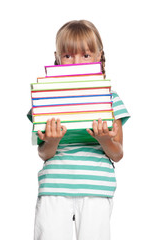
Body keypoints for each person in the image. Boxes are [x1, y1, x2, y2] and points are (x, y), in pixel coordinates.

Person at [28, 20, 130, 240]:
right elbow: (43, 153)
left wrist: (104, 139)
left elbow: (118, 153)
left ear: (98, 56)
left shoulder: (110, 100)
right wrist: (53, 141)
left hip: (96, 187)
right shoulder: (45, 100)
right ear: (57, 58)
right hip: (55, 185)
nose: (76, 62)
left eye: (85, 55)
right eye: (68, 56)